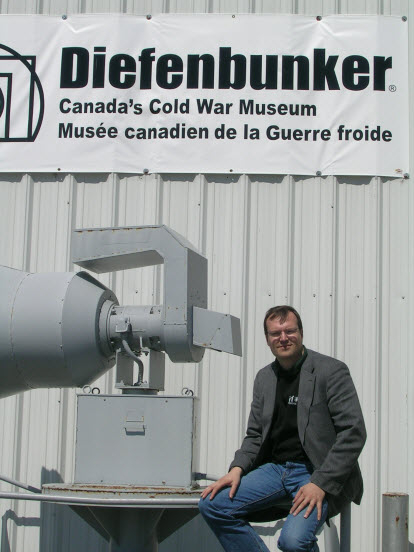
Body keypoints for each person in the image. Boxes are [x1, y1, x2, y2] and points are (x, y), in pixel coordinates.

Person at [199, 305, 366, 552]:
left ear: (301, 333)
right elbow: (255, 435)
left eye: (290, 330)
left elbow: (353, 432)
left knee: (293, 542)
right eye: (275, 333)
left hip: (317, 471)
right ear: (267, 340)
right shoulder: (264, 378)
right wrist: (237, 469)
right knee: (213, 505)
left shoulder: (331, 371)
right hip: (275, 471)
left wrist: (320, 483)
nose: (283, 338)